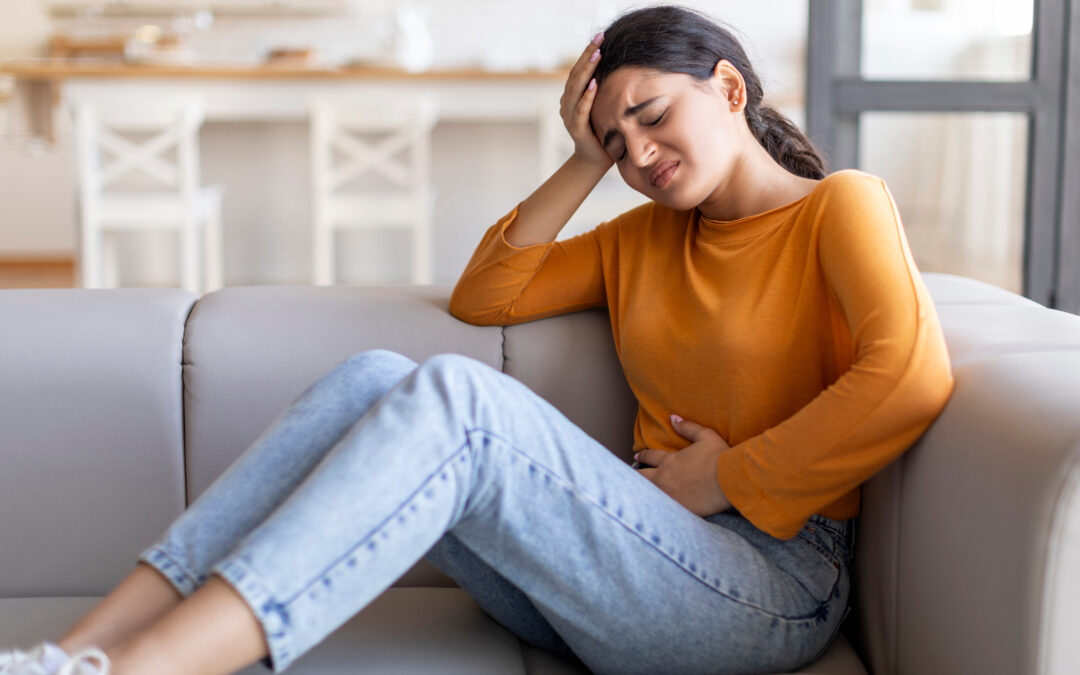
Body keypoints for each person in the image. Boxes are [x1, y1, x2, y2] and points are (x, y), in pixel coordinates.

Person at [0, 4, 955, 675]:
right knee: (374, 376)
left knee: (458, 401)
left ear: (731, 88)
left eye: (653, 116)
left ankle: (147, 671)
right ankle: (79, 651)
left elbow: (908, 378)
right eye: (619, 141)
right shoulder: (643, 238)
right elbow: (487, 293)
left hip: (765, 588)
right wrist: (583, 162)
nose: (642, 156)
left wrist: (725, 477)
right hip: (615, 578)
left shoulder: (840, 207)